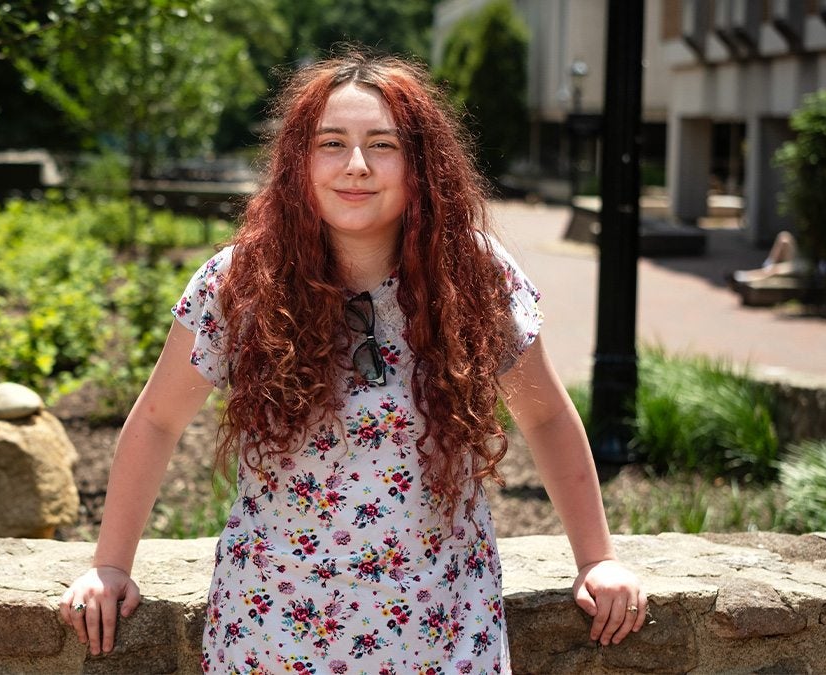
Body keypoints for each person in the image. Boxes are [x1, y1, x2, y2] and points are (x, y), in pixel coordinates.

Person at [59, 53, 647, 672]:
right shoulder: (241, 282)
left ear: (421, 162)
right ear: (298, 161)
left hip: (442, 634)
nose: (357, 166)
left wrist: (596, 558)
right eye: (331, 143)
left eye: (384, 144)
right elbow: (156, 420)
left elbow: (547, 417)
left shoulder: (473, 274)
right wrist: (110, 565)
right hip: (273, 633)